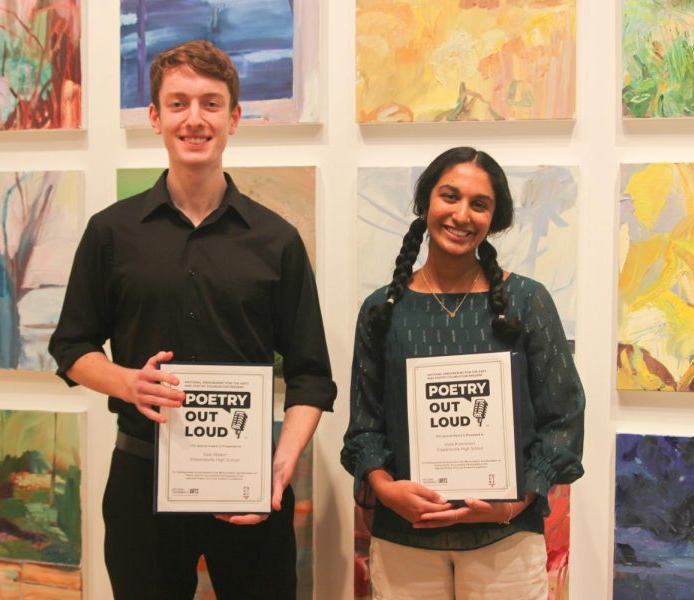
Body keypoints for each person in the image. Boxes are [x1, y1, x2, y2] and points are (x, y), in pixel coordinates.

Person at [49, 40, 336, 600]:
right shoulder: (112, 233)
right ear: (155, 118)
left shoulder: (277, 240)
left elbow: (312, 377)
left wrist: (279, 469)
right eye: (178, 103)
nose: (194, 119)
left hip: (248, 484)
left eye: (210, 103)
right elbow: (72, 348)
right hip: (141, 479)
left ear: (233, 118)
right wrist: (128, 383)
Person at [341, 147, 584, 599]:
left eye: (479, 204)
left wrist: (515, 502)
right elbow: (364, 424)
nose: (461, 214)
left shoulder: (528, 301)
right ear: (425, 204)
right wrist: (385, 488)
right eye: (449, 197)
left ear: (495, 217)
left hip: (505, 540)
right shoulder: (382, 310)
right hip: (404, 540)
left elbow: (563, 418)